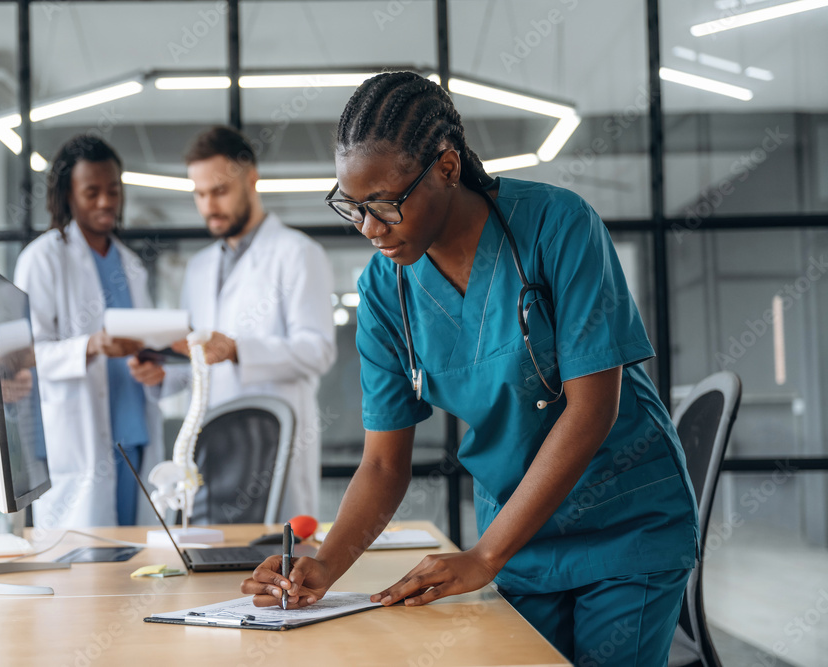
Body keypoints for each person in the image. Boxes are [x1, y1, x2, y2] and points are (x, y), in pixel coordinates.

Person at [242, 72, 699, 666]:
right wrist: (323, 565)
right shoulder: (385, 291)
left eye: (385, 205)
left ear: (448, 168)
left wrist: (484, 556)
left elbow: (593, 409)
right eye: (352, 207)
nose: (370, 229)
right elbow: (384, 462)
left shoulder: (559, 226)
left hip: (623, 527)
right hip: (520, 540)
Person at [169, 126, 336, 521]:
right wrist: (160, 368)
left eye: (220, 191)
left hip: (274, 444)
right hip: (212, 442)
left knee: (276, 558)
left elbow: (318, 350)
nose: (209, 205)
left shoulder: (297, 254)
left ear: (252, 179)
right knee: (213, 560)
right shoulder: (198, 268)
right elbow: (196, 360)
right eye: (200, 194)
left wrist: (238, 349)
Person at [14, 134, 166, 529]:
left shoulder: (130, 263)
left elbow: (145, 336)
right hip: (80, 434)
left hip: (134, 430)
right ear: (68, 195)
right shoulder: (43, 259)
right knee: (84, 563)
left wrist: (154, 361)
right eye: (91, 192)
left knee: (137, 556)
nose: (105, 202)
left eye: (113, 190)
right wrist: (90, 346)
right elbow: (28, 353)